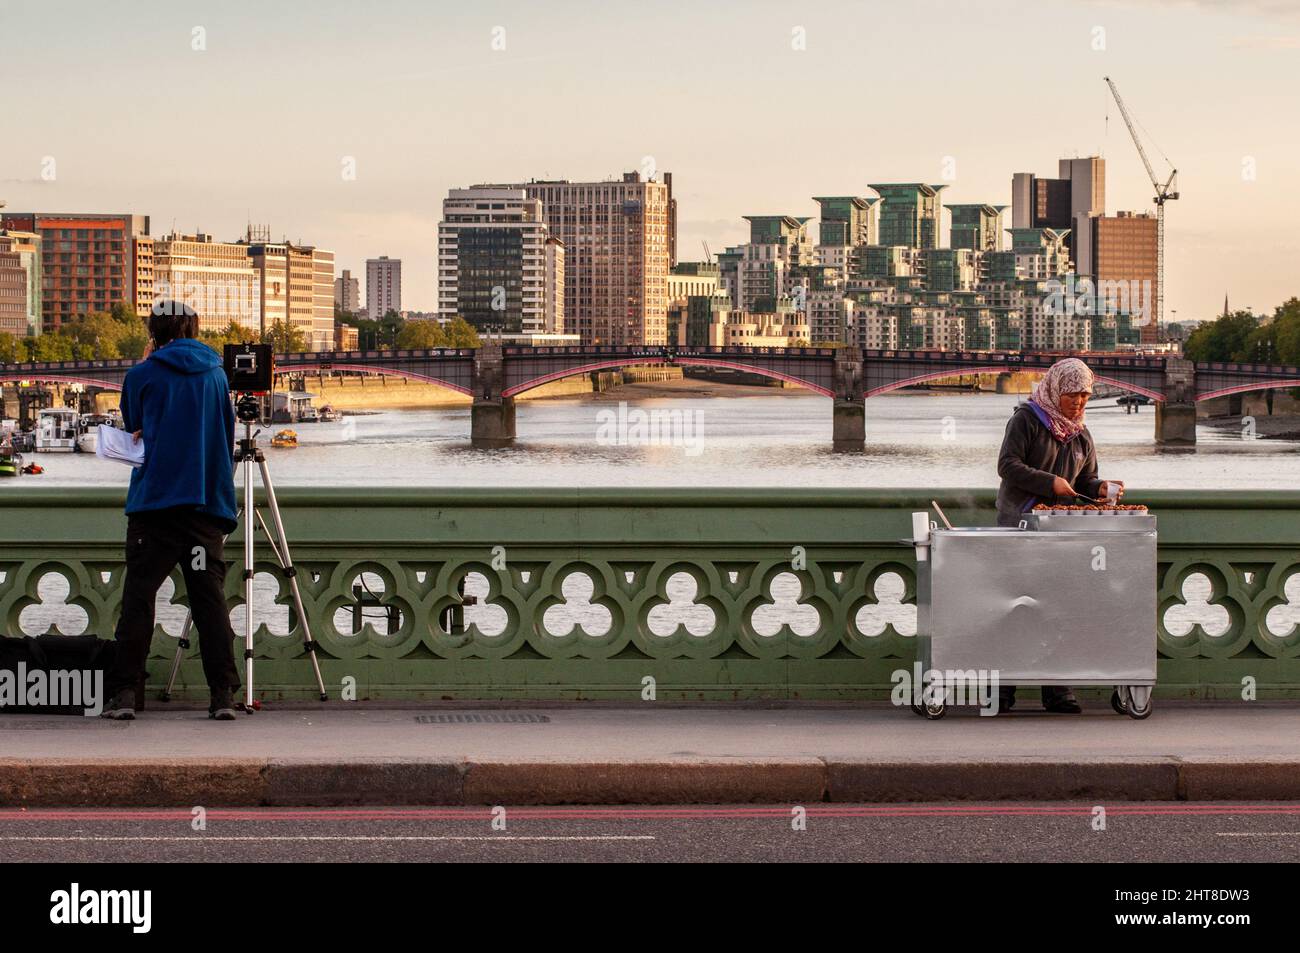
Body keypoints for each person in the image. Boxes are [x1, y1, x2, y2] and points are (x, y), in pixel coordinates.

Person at [101, 301, 241, 721]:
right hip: (204, 508)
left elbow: (134, 424)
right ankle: (222, 695)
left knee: (139, 600)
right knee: (209, 601)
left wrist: (149, 365)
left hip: (155, 508)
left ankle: (126, 694)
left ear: (153, 332)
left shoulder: (141, 374)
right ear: (194, 329)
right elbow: (227, 431)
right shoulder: (216, 372)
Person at [994, 357, 1124, 715]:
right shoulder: (1026, 420)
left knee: (1059, 609)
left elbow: (1083, 482)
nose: (1079, 402)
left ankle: (1057, 689)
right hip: (1021, 526)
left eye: (1084, 395)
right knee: (1018, 608)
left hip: (1061, 532)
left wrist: (1101, 488)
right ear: (1055, 391)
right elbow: (1007, 465)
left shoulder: (1082, 434)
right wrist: (1048, 482)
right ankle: (1004, 690)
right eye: (1072, 395)